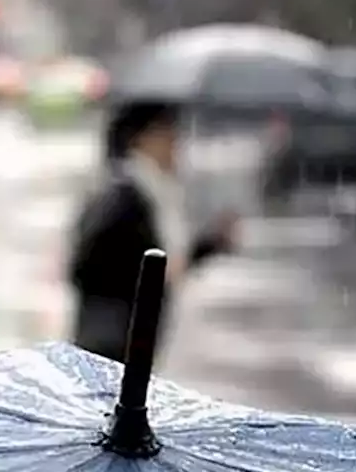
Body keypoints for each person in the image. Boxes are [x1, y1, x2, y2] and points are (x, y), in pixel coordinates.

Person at [69, 101, 236, 363]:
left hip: (134, 338)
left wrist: (210, 245)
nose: (176, 148)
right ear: (145, 139)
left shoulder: (152, 193)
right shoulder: (123, 196)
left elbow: (161, 266)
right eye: (168, 137)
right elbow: (87, 265)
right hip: (110, 343)